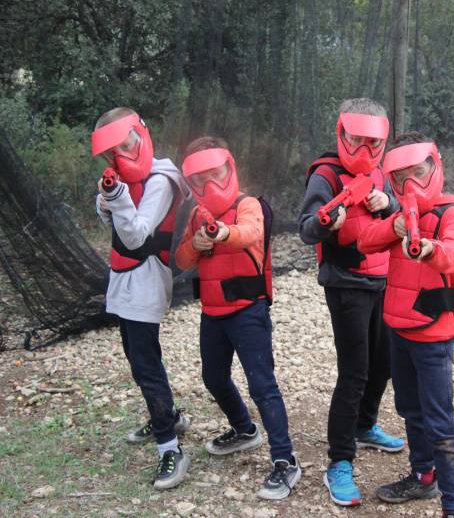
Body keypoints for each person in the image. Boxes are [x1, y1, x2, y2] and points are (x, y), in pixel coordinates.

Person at [358, 133, 454, 518]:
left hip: (434, 335)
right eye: (401, 176)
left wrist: (430, 249)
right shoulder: (400, 214)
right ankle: (423, 476)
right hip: (399, 328)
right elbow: (365, 241)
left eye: (418, 172)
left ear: (435, 167)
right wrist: (394, 228)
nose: (411, 183)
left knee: (439, 421)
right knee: (410, 409)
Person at [175, 137, 300, 500]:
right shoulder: (197, 215)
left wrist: (222, 233)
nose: (209, 185)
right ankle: (244, 430)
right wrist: (195, 245)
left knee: (262, 385)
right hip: (212, 312)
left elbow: (251, 232)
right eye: (200, 179)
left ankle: (285, 460)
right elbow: (182, 261)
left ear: (229, 169)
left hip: (248, 311)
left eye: (216, 175)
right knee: (213, 377)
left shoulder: (248, 205)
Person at [298, 98, 405, 506]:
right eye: (356, 140)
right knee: (354, 372)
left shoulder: (382, 172)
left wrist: (388, 203)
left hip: (383, 278)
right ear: (342, 133)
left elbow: (401, 212)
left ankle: (364, 425)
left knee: (386, 362)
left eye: (372, 142)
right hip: (345, 284)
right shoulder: (324, 175)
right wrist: (329, 221)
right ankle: (339, 462)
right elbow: (307, 229)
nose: (364, 150)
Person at [92, 107, 192, 489]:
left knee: (146, 365)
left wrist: (116, 197)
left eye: (126, 143)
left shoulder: (162, 179)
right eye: (112, 151)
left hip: (147, 278)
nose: (122, 153)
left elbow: (136, 235)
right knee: (138, 359)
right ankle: (169, 417)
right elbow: (110, 221)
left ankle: (171, 449)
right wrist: (107, 197)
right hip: (123, 278)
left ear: (141, 133)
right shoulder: (126, 176)